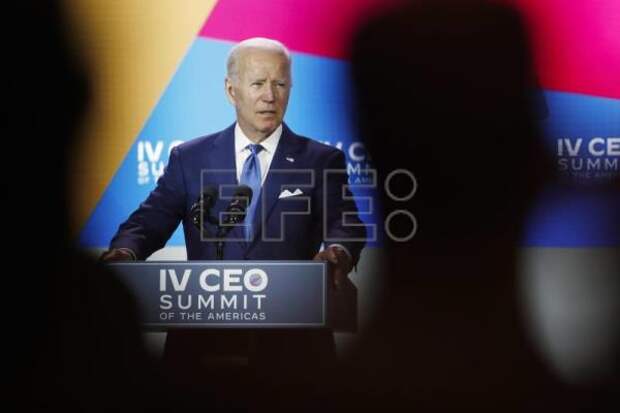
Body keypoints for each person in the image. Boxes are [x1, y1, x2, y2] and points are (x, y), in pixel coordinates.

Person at [101, 37, 366, 407]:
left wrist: (337, 251)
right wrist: (125, 252)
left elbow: (345, 223)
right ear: (231, 90)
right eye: (258, 83)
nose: (270, 96)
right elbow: (148, 222)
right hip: (201, 351)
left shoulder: (321, 160)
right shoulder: (190, 158)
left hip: (294, 354)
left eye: (280, 84)